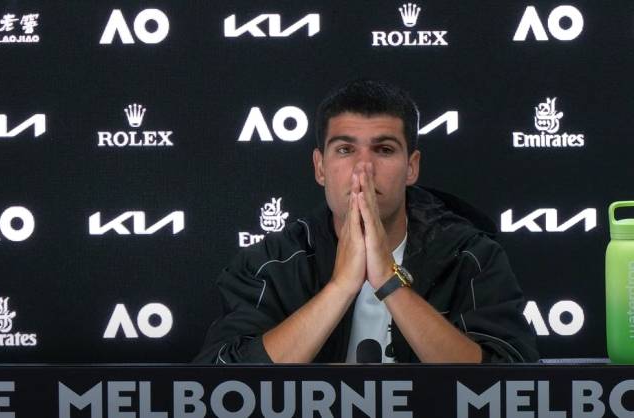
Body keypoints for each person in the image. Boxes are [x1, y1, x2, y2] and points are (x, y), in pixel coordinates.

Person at [195, 79, 538, 363]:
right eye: (345, 150)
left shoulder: (470, 256)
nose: (364, 168)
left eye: (384, 149)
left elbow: (510, 384)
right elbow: (220, 384)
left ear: (411, 167)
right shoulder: (271, 264)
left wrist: (389, 281)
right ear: (320, 167)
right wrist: (341, 286)